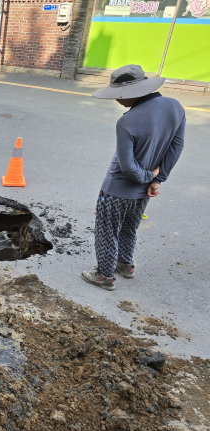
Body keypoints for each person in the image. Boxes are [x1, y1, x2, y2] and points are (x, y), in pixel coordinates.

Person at [81, 64, 185, 291]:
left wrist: (150, 175)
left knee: (107, 230)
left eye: (120, 96)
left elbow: (127, 167)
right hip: (145, 190)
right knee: (129, 227)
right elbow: (176, 148)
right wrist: (157, 179)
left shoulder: (127, 121)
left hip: (116, 189)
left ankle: (105, 275)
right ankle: (125, 264)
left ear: (134, 93)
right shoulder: (175, 107)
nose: (117, 100)